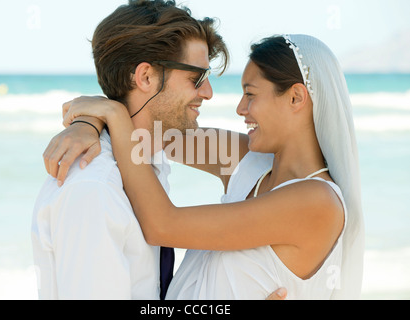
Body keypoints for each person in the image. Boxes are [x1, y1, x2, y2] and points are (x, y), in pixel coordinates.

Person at [53, 34, 365, 299]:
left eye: (250, 94)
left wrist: (112, 115)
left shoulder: (316, 202)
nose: (241, 109)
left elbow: (162, 225)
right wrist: (89, 121)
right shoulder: (247, 159)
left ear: (296, 97)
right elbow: (150, 129)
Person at [33, 0, 284, 300]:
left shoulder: (149, 155)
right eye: (197, 78)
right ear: (146, 77)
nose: (208, 92)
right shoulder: (95, 189)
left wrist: (93, 116)